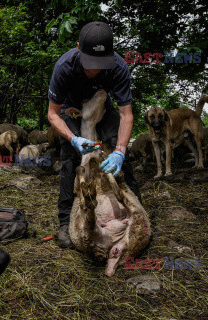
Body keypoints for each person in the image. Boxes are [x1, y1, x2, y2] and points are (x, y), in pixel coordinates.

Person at [47, 21, 142, 248]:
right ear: (79, 48)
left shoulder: (118, 67)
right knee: (70, 157)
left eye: (101, 64)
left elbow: (126, 115)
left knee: (117, 147)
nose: (95, 70)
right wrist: (73, 138)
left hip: (101, 99)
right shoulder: (64, 67)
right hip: (69, 105)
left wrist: (119, 151)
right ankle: (64, 223)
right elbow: (52, 114)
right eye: (90, 64)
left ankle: (137, 215)